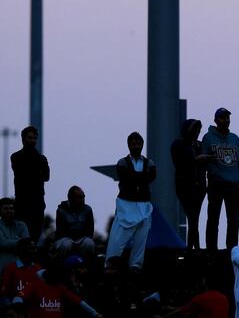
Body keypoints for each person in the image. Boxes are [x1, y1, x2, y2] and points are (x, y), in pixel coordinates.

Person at [105, 132, 155, 270]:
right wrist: (140, 179)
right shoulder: (122, 162)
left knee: (140, 240)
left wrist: (135, 179)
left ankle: (135, 266)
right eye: (133, 144)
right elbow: (126, 179)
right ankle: (111, 264)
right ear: (128, 145)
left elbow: (150, 178)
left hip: (144, 206)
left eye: (138, 143)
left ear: (142, 144)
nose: (136, 146)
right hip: (126, 206)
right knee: (117, 239)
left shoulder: (149, 163)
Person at [202, 107, 239, 250]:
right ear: (216, 120)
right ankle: (211, 249)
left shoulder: (234, 138)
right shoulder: (208, 138)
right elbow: (206, 160)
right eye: (222, 117)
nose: (226, 120)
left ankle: (231, 248)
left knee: (233, 220)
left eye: (227, 117)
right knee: (213, 218)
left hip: (233, 184)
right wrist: (216, 174)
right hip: (216, 184)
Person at [171, 118, 210, 250]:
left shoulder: (200, 145)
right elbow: (179, 161)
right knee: (193, 217)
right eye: (195, 129)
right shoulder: (178, 144)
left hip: (200, 186)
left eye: (198, 129)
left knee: (194, 218)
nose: (197, 132)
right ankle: (193, 248)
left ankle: (193, 248)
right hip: (185, 186)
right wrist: (194, 160)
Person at [17, 263, 103, 318]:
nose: (57, 279)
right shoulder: (34, 284)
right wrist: (17, 308)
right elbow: (19, 297)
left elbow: (77, 301)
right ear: (49, 274)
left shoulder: (59, 286)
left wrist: (94, 313)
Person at [10, 126, 49, 242]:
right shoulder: (16, 157)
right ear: (23, 139)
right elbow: (22, 174)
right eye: (30, 138)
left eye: (34, 138)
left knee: (35, 237)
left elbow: (46, 177)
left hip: (37, 203)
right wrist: (37, 173)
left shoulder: (42, 159)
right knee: (22, 237)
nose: (33, 141)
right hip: (22, 203)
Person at [53, 186, 95, 260]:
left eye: (83, 197)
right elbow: (61, 231)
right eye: (79, 197)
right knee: (66, 245)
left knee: (89, 243)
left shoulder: (88, 209)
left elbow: (90, 230)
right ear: (71, 199)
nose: (82, 200)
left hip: (82, 238)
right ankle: (61, 265)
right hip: (65, 238)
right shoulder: (61, 210)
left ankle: (86, 265)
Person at [0, 200, 29, 272]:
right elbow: (2, 243)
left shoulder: (22, 225)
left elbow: (27, 244)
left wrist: (9, 241)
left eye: (11, 208)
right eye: (5, 208)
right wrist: (20, 240)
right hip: (2, 268)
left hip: (19, 269)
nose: (9, 211)